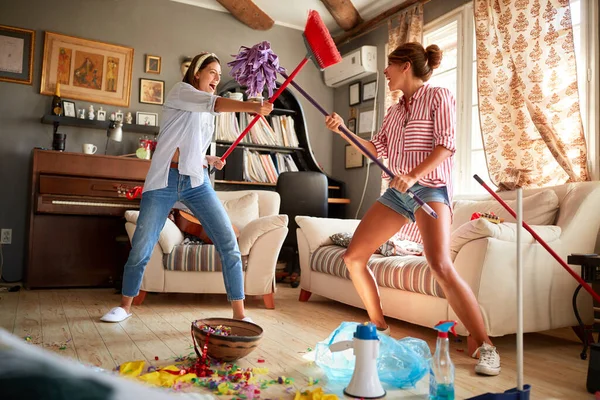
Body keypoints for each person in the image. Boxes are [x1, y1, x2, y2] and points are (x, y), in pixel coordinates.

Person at [324, 42, 501, 376]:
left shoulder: (439, 97)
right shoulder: (394, 111)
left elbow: (446, 145)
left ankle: (486, 344)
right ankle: (379, 325)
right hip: (398, 193)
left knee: (439, 264)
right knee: (353, 257)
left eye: (388, 67)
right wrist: (343, 131)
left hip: (431, 187)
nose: (385, 73)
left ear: (404, 65)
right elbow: (375, 149)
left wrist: (413, 175)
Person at [101, 52, 273, 324]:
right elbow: (214, 104)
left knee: (228, 242)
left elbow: (188, 145)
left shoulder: (207, 114)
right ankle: (124, 306)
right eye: (212, 72)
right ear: (197, 73)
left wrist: (207, 158)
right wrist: (252, 107)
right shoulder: (183, 92)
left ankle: (240, 314)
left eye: (218, 74)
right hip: (163, 181)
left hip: (196, 181)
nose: (217, 78)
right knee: (142, 246)